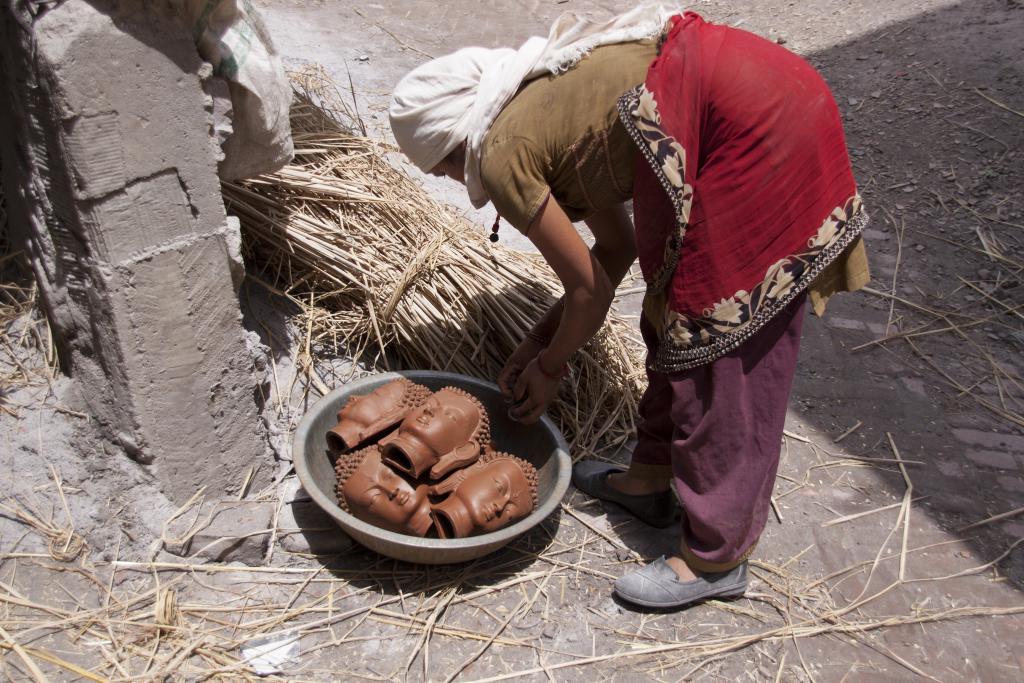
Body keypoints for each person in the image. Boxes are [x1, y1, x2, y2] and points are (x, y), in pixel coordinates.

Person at [389, 6, 869, 609]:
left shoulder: (499, 155)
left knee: (722, 341)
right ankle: (650, 482)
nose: (454, 181)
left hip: (756, 126)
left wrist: (550, 368)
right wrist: (538, 344)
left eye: (441, 168)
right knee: (676, 313)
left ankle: (714, 559)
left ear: (451, 141)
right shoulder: (533, 111)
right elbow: (610, 256)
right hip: (756, 93)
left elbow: (590, 292)